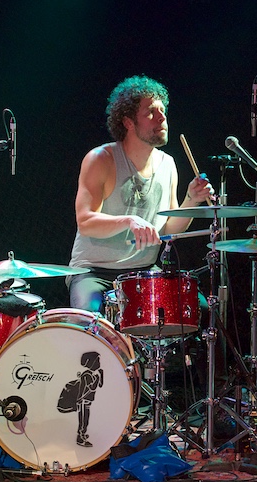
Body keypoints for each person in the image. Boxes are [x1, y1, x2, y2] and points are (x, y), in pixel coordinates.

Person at [68, 75, 213, 313]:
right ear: (128, 122)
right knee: (92, 321)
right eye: (151, 112)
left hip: (143, 270)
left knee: (202, 311)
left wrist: (192, 200)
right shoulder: (101, 159)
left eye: (163, 110)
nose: (162, 117)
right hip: (94, 272)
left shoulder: (168, 164)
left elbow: (168, 230)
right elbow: (85, 222)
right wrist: (129, 221)